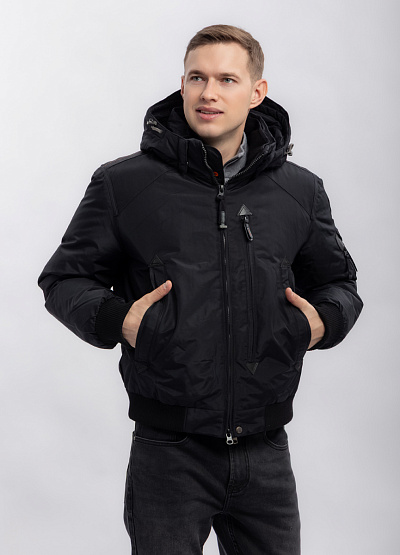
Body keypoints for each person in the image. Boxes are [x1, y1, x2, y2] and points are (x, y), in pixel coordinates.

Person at [38, 24, 363, 555]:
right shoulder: (124, 184)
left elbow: (339, 283)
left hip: (266, 452)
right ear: (183, 84)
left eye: (226, 79)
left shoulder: (300, 190)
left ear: (256, 92)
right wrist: (120, 320)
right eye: (196, 77)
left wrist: (321, 321)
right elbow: (64, 278)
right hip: (168, 453)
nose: (208, 92)